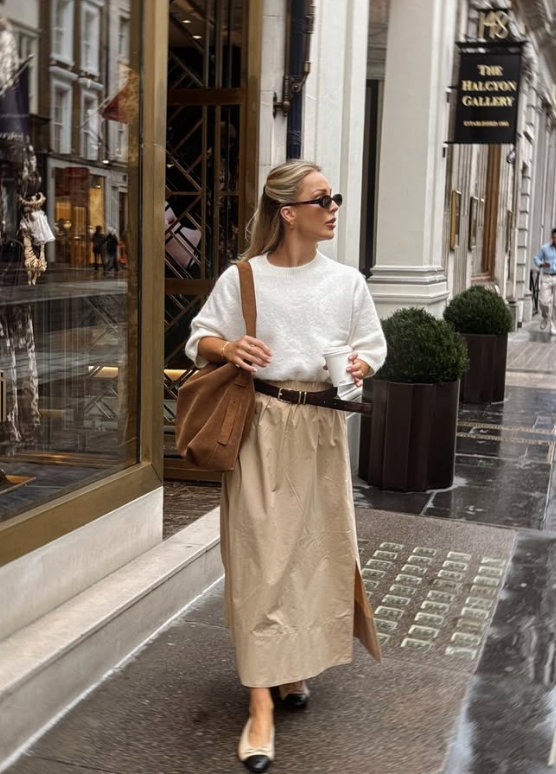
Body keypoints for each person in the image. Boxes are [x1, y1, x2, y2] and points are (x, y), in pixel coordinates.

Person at [185, 160, 387, 772]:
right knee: (258, 561)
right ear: (287, 212)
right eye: (322, 198)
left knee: (312, 555)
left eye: (335, 198)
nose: (333, 207)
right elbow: (198, 339)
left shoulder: (348, 282)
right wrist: (229, 345)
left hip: (322, 431)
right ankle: (260, 707)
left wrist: (360, 367)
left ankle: (292, 669)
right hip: (260, 428)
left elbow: (372, 347)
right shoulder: (243, 277)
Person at [534, 228, 556, 334]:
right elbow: (536, 258)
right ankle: (545, 317)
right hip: (547, 276)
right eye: (553, 237)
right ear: (551, 237)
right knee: (543, 301)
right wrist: (542, 264)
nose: (555, 239)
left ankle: (553, 326)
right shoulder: (545, 248)